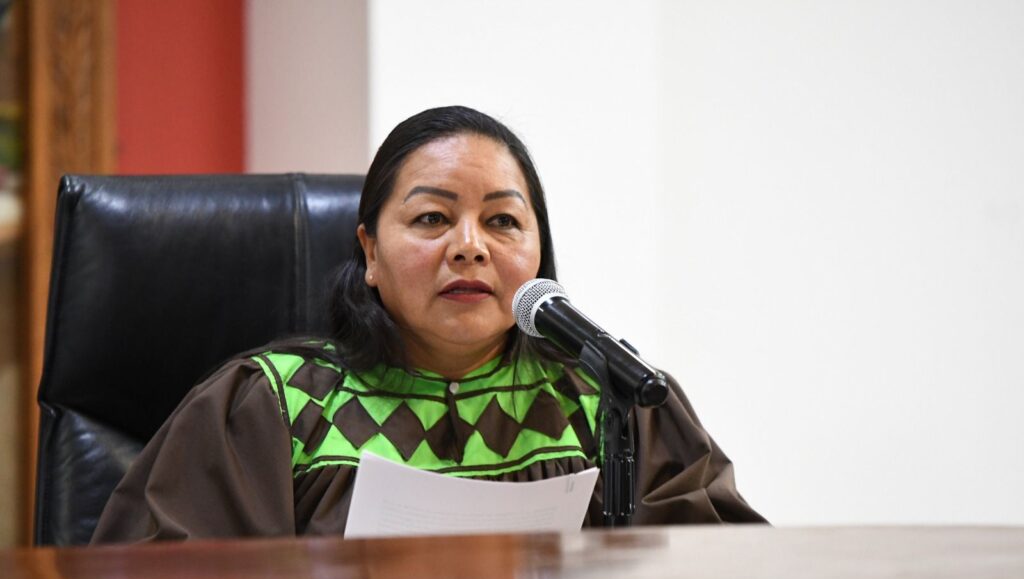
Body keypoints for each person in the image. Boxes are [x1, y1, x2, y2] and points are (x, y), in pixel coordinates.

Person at [91, 106, 765, 543]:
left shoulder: (611, 400)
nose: (469, 246)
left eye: (502, 221)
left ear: (538, 251)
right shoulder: (270, 406)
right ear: (370, 253)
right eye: (432, 218)